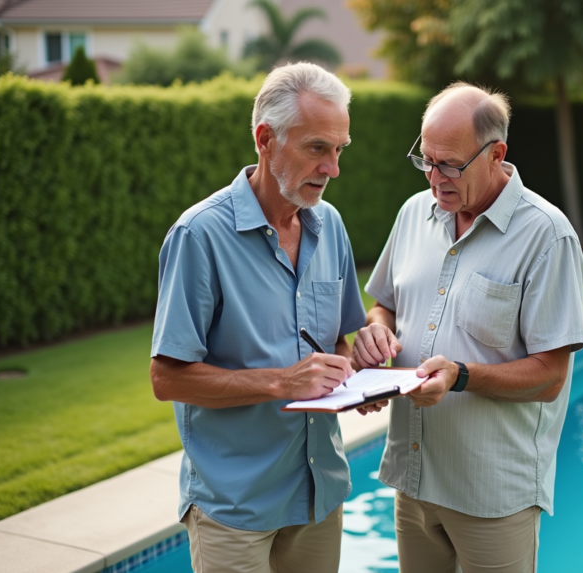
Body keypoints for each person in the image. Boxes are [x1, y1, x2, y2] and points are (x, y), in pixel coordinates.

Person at [149, 62, 382, 573]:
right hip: (235, 508)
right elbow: (167, 379)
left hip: (319, 495)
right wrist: (282, 382)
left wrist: (356, 375)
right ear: (265, 139)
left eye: (339, 150)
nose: (332, 169)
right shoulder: (198, 236)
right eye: (317, 148)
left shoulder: (331, 225)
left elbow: (338, 343)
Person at [353, 82, 583, 573]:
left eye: (450, 165)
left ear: (496, 154)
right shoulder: (413, 213)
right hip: (413, 480)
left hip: (492, 496)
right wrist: (374, 333)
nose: (434, 179)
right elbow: (384, 306)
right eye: (426, 161)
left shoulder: (547, 236)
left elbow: (550, 376)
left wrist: (460, 375)